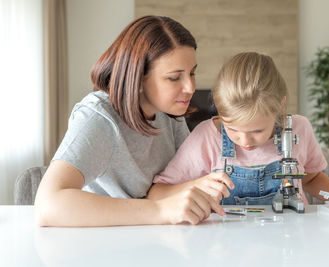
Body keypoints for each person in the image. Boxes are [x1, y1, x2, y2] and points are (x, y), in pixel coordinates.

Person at [34, 15, 226, 227]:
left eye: (192, 73)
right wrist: (160, 210)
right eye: (174, 77)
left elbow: (177, 185)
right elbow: (47, 206)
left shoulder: (170, 115)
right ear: (138, 78)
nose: (190, 87)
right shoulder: (99, 116)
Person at [147, 52, 329, 207]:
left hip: (291, 240)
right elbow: (157, 193)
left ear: (280, 107)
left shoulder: (298, 128)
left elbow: (310, 177)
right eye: (232, 129)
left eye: (256, 131)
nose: (245, 141)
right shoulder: (206, 136)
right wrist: (197, 185)